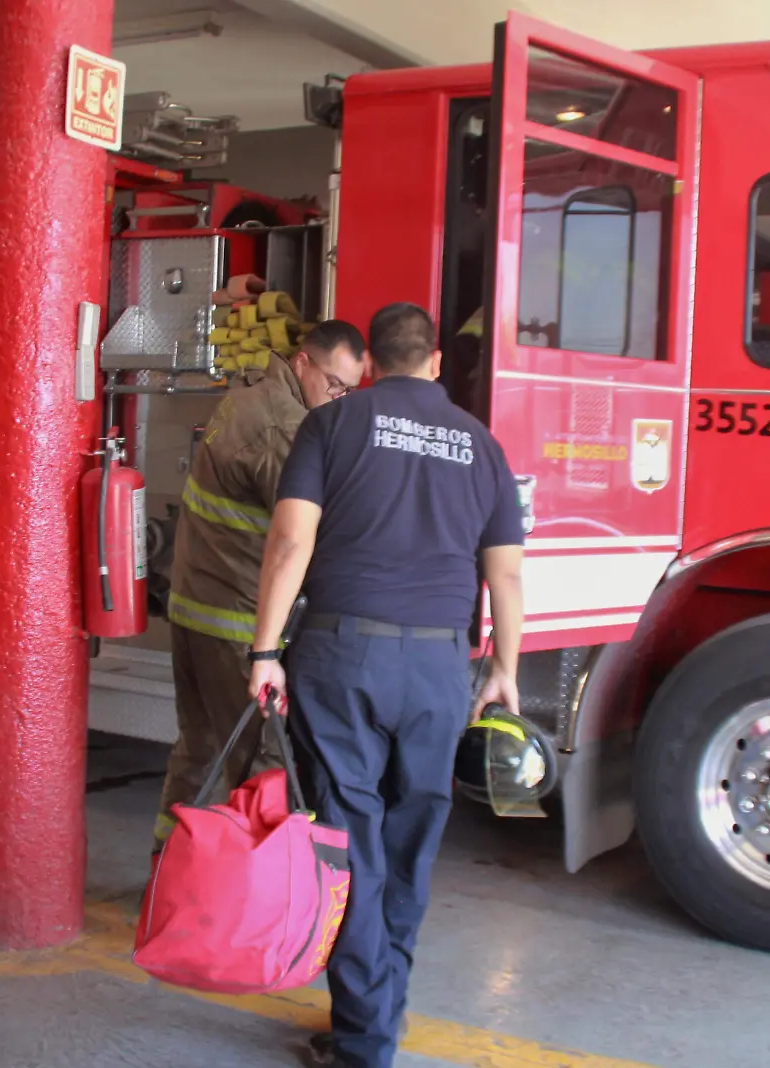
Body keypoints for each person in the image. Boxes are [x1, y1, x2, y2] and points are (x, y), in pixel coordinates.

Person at [245, 302, 526, 1068]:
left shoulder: (332, 426)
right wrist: (503, 669)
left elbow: (291, 541)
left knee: (351, 838)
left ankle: (367, 1035)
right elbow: (504, 572)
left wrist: (265, 650)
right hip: (440, 667)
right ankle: (374, 1017)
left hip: (344, 658)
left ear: (371, 365)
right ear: (437, 362)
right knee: (408, 848)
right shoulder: (482, 446)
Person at [152, 319, 368, 849]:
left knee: (199, 749)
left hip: (197, 609)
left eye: (351, 389)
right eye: (335, 384)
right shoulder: (284, 430)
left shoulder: (251, 398)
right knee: (261, 764)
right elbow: (303, 532)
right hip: (236, 621)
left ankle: (170, 869)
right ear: (303, 364)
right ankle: (252, 900)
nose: (340, 398)